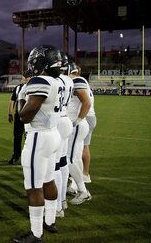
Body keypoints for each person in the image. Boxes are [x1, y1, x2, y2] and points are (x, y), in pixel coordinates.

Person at [12, 45, 62, 243]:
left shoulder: (40, 81)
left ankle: (36, 234)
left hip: (39, 137)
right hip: (53, 134)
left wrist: (21, 97)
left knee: (33, 186)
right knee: (48, 179)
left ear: (42, 62)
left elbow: (24, 116)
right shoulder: (57, 81)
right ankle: (50, 221)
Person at [66, 63, 91, 205]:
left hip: (77, 123)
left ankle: (83, 191)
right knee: (75, 157)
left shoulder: (77, 80)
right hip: (79, 123)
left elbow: (86, 102)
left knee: (68, 158)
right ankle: (75, 187)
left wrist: (77, 121)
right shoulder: (76, 81)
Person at [53, 53, 74, 218]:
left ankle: (58, 206)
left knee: (54, 166)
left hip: (57, 121)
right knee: (63, 162)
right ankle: (63, 201)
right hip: (66, 119)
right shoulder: (69, 80)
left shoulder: (56, 80)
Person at [7, 70, 31, 165]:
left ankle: (26, 156)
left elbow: (12, 101)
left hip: (29, 116)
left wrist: (10, 113)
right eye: (25, 77)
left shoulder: (32, 87)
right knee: (18, 137)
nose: (25, 78)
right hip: (21, 115)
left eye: (26, 77)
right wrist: (10, 113)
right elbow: (12, 100)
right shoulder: (18, 88)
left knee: (27, 137)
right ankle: (16, 156)